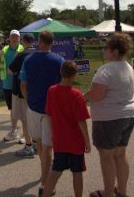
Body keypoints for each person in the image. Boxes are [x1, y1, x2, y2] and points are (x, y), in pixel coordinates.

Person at [84, 33, 134, 197]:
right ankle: (122, 191)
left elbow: (97, 95)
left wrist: (82, 97)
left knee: (106, 156)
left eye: (106, 47)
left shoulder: (105, 70)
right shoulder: (128, 67)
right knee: (120, 153)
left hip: (109, 117)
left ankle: (108, 193)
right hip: (129, 114)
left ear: (114, 51)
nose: (104, 50)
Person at [19, 30, 64, 196]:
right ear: (52, 42)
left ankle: (45, 183)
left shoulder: (29, 60)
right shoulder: (60, 61)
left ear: (40, 41)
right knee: (47, 148)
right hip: (51, 110)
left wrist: (29, 100)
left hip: (34, 108)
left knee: (41, 145)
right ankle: (45, 179)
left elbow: (23, 85)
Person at [42, 61, 91, 197]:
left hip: (59, 139)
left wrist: (53, 133)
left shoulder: (51, 91)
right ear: (74, 76)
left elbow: (49, 114)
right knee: (77, 172)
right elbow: (81, 121)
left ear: (61, 73)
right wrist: (87, 140)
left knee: (56, 170)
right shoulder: (77, 95)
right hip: (75, 140)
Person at [9, 34, 36, 158]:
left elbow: (10, 70)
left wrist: (16, 71)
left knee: (25, 120)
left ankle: (28, 146)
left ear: (24, 42)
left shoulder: (21, 55)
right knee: (35, 119)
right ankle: (35, 143)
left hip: (21, 91)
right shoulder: (38, 53)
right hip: (36, 90)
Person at [0, 30, 25, 142]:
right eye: (12, 36)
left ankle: (25, 134)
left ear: (19, 38)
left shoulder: (22, 50)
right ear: (9, 38)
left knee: (22, 109)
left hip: (20, 83)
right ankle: (14, 132)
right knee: (13, 109)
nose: (14, 39)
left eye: (16, 37)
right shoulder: (4, 50)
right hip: (7, 84)